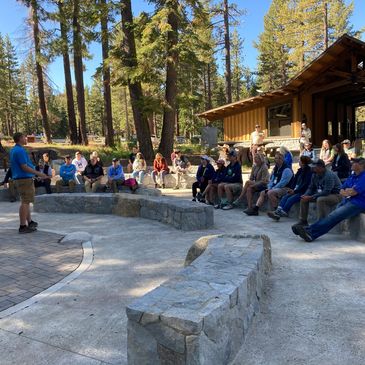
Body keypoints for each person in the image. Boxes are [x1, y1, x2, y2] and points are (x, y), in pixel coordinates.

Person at [292, 158, 365, 242]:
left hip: (358, 203)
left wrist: (348, 191)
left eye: (354, 162)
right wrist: (347, 191)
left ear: (361, 165)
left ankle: (309, 231)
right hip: (348, 201)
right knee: (333, 217)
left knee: (333, 216)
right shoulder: (353, 176)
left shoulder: (363, 177)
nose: (351, 163)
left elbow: (352, 192)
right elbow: (342, 189)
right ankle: (311, 233)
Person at [9, 132, 48, 234]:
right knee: (25, 202)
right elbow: (24, 166)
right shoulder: (19, 151)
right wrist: (38, 173)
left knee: (25, 201)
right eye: (24, 137)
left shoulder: (14, 149)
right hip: (24, 179)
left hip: (21, 179)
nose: (26, 138)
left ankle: (29, 222)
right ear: (20, 138)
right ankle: (22, 226)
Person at [292, 159, 342, 227]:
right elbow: (311, 187)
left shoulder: (329, 175)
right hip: (322, 194)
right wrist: (305, 195)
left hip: (336, 195)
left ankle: (321, 222)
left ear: (321, 167)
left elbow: (326, 191)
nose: (312, 168)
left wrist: (311, 197)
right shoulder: (314, 175)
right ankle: (303, 221)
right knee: (303, 199)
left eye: (314, 167)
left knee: (320, 199)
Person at [267, 155, 312, 221]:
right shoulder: (300, 170)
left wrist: (295, 191)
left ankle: (283, 211)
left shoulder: (309, 172)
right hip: (296, 190)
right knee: (286, 196)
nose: (298, 162)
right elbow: (294, 181)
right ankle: (278, 211)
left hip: (303, 191)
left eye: (299, 160)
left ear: (303, 162)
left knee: (291, 198)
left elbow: (305, 185)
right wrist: (292, 189)